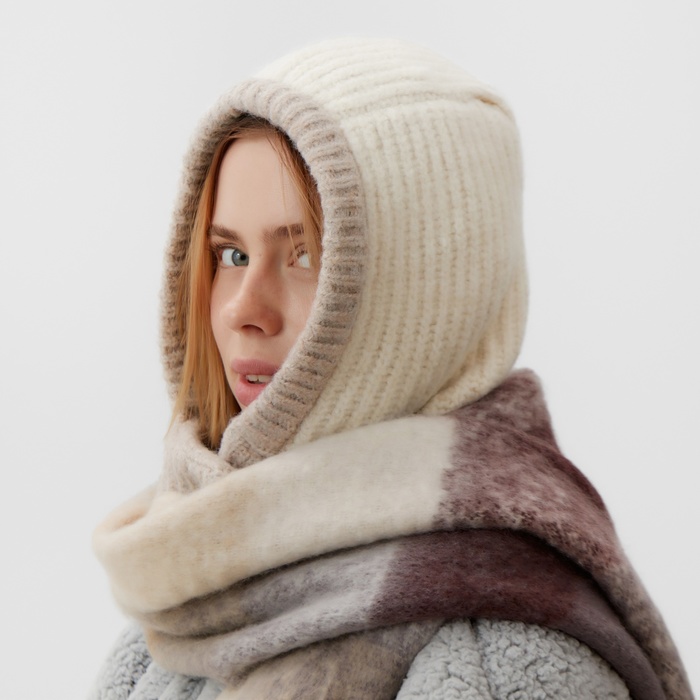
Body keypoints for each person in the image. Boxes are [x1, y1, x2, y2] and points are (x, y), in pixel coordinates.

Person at [90, 38, 692, 699]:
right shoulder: (181, 613)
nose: (243, 310)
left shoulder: (500, 666)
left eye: (306, 256)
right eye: (230, 255)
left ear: (425, 290)